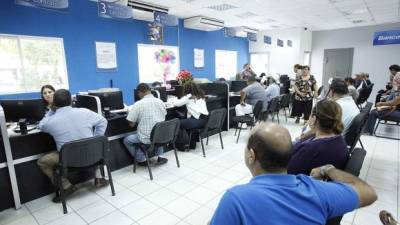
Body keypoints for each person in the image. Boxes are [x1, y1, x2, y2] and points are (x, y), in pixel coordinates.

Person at [209, 122, 377, 225]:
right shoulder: (318, 191)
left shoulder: (236, 199)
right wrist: (329, 169)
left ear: (251, 156)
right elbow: (369, 194)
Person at [37, 89, 109, 202]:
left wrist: (51, 111)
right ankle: (99, 178)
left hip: (69, 161)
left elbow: (40, 126)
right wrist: (96, 139)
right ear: (71, 100)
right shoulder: (85, 112)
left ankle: (67, 186)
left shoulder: (50, 121)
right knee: (89, 146)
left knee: (42, 162)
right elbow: (103, 121)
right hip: (92, 155)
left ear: (54, 103)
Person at [288, 100, 349, 175]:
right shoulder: (339, 140)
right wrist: (304, 137)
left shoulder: (311, 148)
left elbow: (288, 170)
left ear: (314, 119)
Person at [123, 83, 168, 166]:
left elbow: (132, 125)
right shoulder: (160, 102)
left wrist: (130, 113)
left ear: (141, 92)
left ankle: (142, 160)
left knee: (127, 140)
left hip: (146, 138)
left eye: (138, 93)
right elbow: (163, 117)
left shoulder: (138, 104)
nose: (138, 95)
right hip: (160, 136)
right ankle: (160, 156)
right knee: (158, 128)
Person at [173, 81, 209, 150]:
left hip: (196, 120)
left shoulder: (188, 96)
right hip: (204, 119)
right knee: (187, 122)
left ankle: (180, 145)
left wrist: (173, 100)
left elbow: (177, 104)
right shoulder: (200, 95)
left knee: (177, 123)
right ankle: (192, 144)